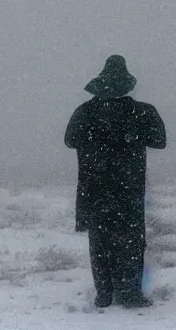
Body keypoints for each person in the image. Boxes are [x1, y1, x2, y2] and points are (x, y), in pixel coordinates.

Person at [64, 55, 166, 308]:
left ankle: (104, 293)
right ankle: (130, 293)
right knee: (131, 242)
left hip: (94, 188)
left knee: (100, 242)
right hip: (128, 189)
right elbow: (160, 141)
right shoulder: (142, 111)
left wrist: (97, 139)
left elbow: (69, 141)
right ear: (127, 84)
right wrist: (130, 134)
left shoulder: (85, 111)